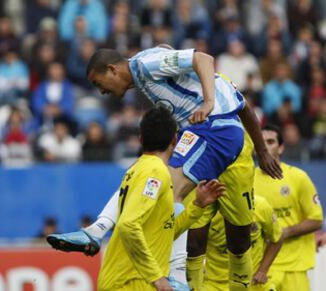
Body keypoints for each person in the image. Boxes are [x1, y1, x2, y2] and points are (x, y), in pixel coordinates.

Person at [48, 46, 282, 290]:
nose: (102, 91)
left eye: (99, 83)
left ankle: (173, 275)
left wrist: (209, 103)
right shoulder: (149, 67)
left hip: (215, 130)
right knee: (150, 178)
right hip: (204, 132)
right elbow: (169, 53)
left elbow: (203, 58)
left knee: (172, 192)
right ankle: (98, 229)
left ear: (112, 69)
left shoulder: (145, 66)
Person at [56, 106, 224, 290]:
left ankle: (98, 229)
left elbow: (164, 232)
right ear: (175, 141)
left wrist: (197, 206)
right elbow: (128, 225)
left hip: (131, 281)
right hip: (130, 283)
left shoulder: (140, 169)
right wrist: (157, 277)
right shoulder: (155, 171)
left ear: (141, 139)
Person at [254, 124, 324, 291]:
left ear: (281, 147)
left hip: (294, 266)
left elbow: (316, 220)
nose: (265, 147)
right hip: (260, 267)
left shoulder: (298, 177)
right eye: (261, 143)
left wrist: (283, 232)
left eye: (270, 142)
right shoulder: (247, 180)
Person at [200, 194, 284, 291]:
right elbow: (194, 245)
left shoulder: (260, 206)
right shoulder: (208, 212)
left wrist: (262, 270)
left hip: (254, 283)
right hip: (215, 285)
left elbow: (277, 238)